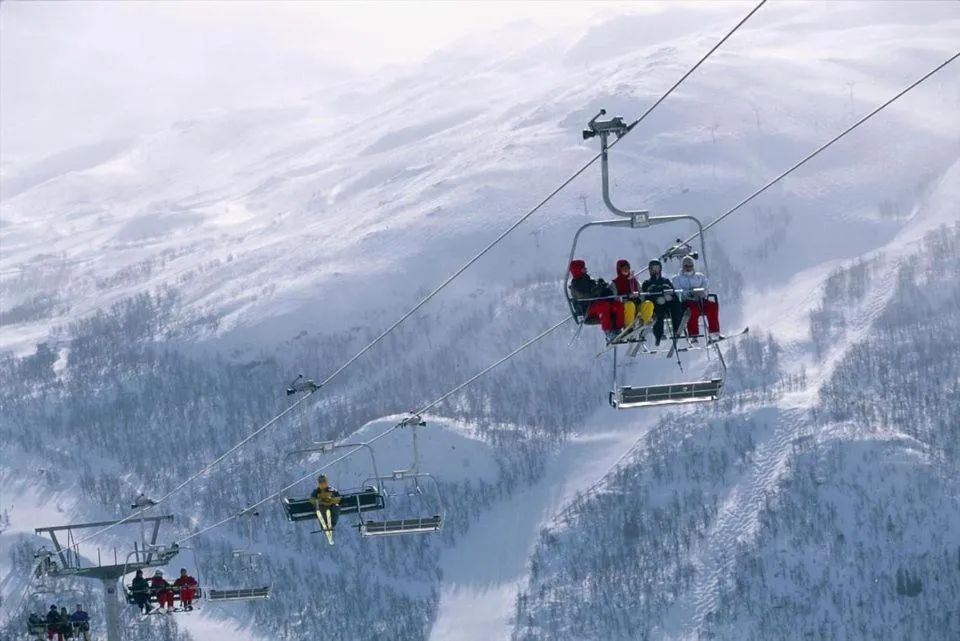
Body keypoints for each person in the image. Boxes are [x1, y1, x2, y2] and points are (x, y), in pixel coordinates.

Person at [568, 259, 624, 341]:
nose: (585, 270)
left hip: (595, 305)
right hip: (587, 310)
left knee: (617, 304)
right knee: (603, 306)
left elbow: (595, 288)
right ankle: (609, 331)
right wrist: (598, 289)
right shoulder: (575, 285)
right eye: (583, 269)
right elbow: (587, 296)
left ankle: (619, 328)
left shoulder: (587, 279)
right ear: (577, 270)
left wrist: (602, 286)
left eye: (585, 268)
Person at [672, 255, 721, 342]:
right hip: (687, 302)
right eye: (686, 266)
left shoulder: (699, 276)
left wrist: (700, 292)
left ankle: (714, 333)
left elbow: (706, 285)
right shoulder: (677, 278)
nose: (688, 268)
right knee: (692, 310)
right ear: (682, 266)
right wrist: (689, 293)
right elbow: (677, 290)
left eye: (690, 266)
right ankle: (693, 335)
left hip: (700, 300)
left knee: (712, 306)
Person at [640, 259, 685, 346]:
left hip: (667, 304)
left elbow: (673, 292)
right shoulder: (647, 283)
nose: (656, 270)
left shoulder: (666, 281)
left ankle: (677, 329)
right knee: (658, 310)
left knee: (676, 305)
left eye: (657, 268)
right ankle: (659, 334)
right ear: (650, 270)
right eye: (654, 268)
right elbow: (646, 297)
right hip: (655, 305)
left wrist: (670, 297)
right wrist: (656, 299)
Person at [611, 259, 642, 329]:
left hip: (636, 302)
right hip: (624, 305)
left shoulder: (634, 280)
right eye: (624, 268)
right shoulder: (615, 282)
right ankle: (629, 327)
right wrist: (623, 298)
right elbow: (614, 297)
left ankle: (644, 323)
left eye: (628, 268)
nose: (626, 270)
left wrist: (639, 297)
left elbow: (641, 292)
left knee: (648, 304)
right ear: (619, 269)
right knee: (630, 305)